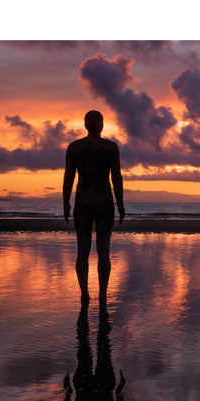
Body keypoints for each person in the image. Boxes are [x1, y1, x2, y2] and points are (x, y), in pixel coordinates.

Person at [63, 110, 124, 302]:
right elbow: (116, 177)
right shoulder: (110, 147)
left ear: (85, 124)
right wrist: (120, 203)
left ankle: (85, 294)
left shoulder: (75, 147)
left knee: (83, 250)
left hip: (82, 201)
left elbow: (69, 177)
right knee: (103, 250)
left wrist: (66, 202)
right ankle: (102, 294)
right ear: (102, 125)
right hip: (104, 201)